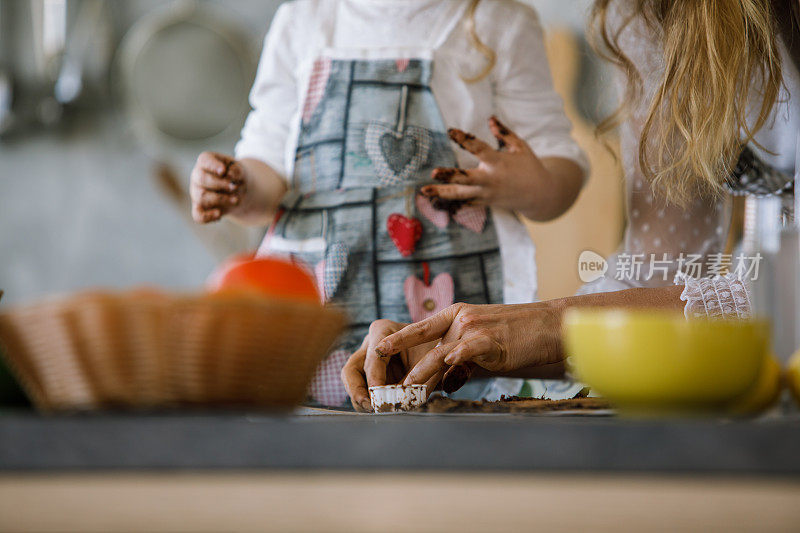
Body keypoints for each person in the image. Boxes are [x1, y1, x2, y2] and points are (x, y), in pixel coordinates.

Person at [342, 0, 800, 410]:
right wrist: (466, 345)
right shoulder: (651, 15)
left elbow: (779, 307)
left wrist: (554, 323)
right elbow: (656, 275)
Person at [189, 0, 587, 407]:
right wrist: (237, 186)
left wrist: (528, 185)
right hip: (319, 309)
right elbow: (269, 175)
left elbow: (558, 164)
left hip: (452, 315)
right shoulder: (304, 20)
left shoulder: (497, 22)